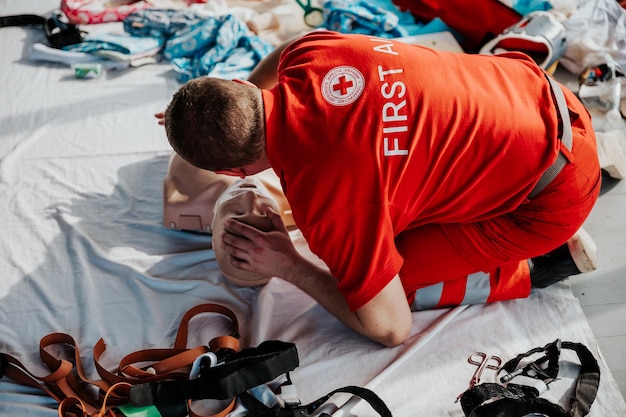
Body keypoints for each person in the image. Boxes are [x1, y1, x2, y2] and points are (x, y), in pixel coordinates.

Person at [162, 30, 602, 346]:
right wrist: (218, 115)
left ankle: (540, 264)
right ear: (241, 85)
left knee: (388, 285)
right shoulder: (311, 51)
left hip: (556, 195)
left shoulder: (326, 204)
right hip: (548, 99)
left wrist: (289, 263)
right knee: (393, 208)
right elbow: (279, 55)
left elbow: (390, 329)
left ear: (238, 172)